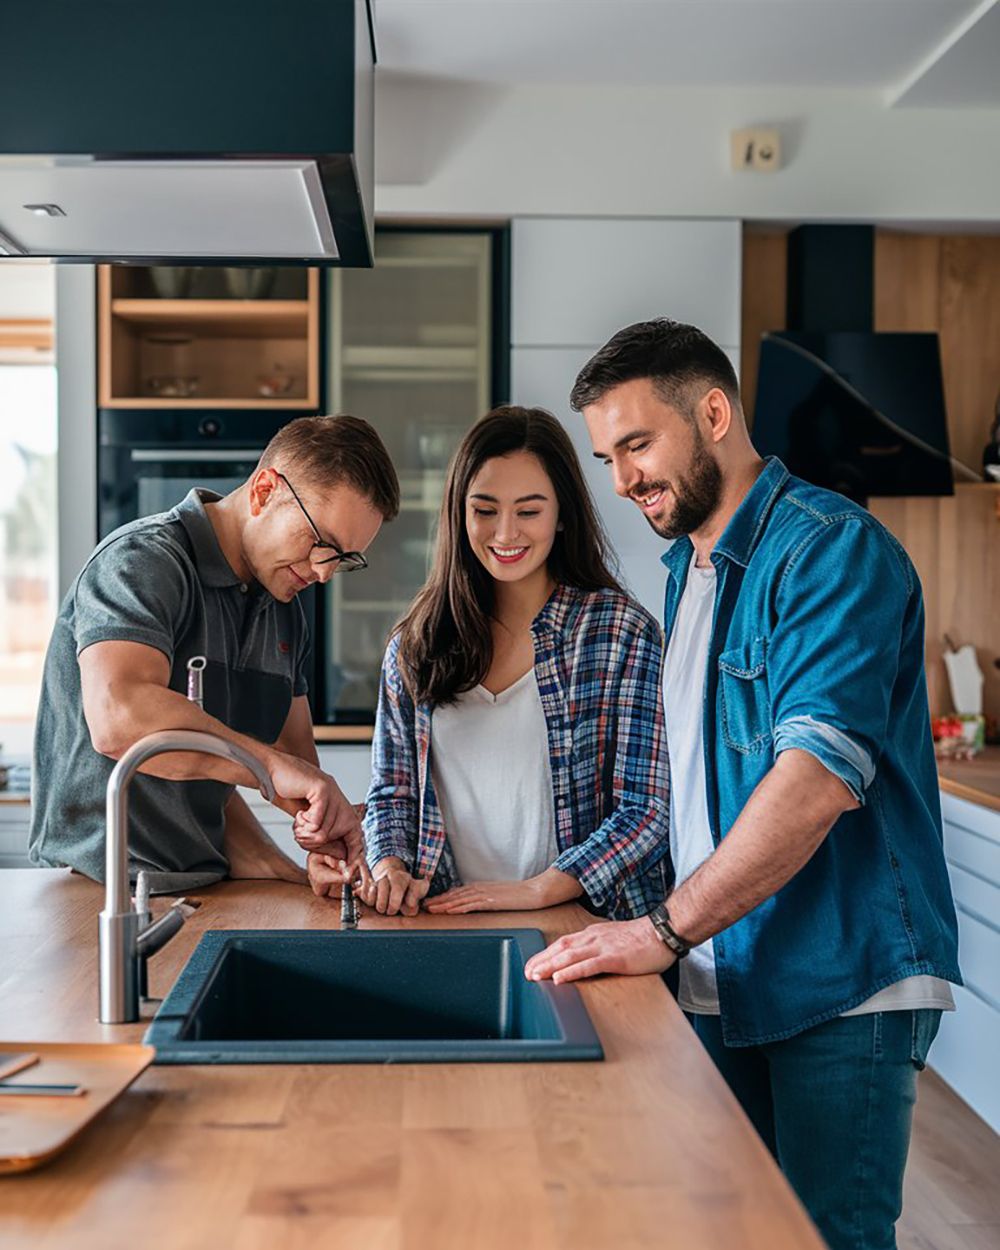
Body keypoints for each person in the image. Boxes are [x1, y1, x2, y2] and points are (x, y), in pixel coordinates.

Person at [524, 320, 961, 1250]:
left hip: (839, 980)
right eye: (607, 457)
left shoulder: (829, 551)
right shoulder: (691, 570)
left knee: (827, 1236)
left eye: (637, 445)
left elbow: (813, 782)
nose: (623, 480)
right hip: (730, 970)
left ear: (714, 412)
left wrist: (662, 929)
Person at [306, 405, 671, 918]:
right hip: (448, 922)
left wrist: (541, 888)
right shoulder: (415, 644)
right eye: (484, 510)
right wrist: (388, 863)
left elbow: (646, 811)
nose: (505, 534)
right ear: (459, 513)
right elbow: (392, 794)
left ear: (562, 514)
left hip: (587, 925)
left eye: (528, 511)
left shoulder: (620, 633)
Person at [29, 414, 398, 891]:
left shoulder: (284, 611)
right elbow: (120, 720)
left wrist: (322, 837)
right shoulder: (142, 562)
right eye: (320, 543)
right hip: (92, 890)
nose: (325, 572)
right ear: (265, 490)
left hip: (201, 886)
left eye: (344, 558)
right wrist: (271, 769)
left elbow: (295, 763)